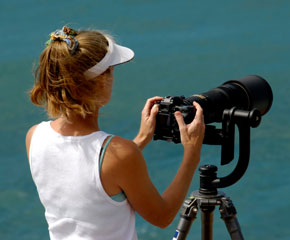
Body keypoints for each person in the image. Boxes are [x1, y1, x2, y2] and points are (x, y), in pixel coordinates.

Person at [25, 26, 205, 240]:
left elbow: (90, 177)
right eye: (111, 70)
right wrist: (191, 154)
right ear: (101, 81)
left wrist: (141, 139)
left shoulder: (35, 136)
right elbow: (163, 216)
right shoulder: (119, 154)